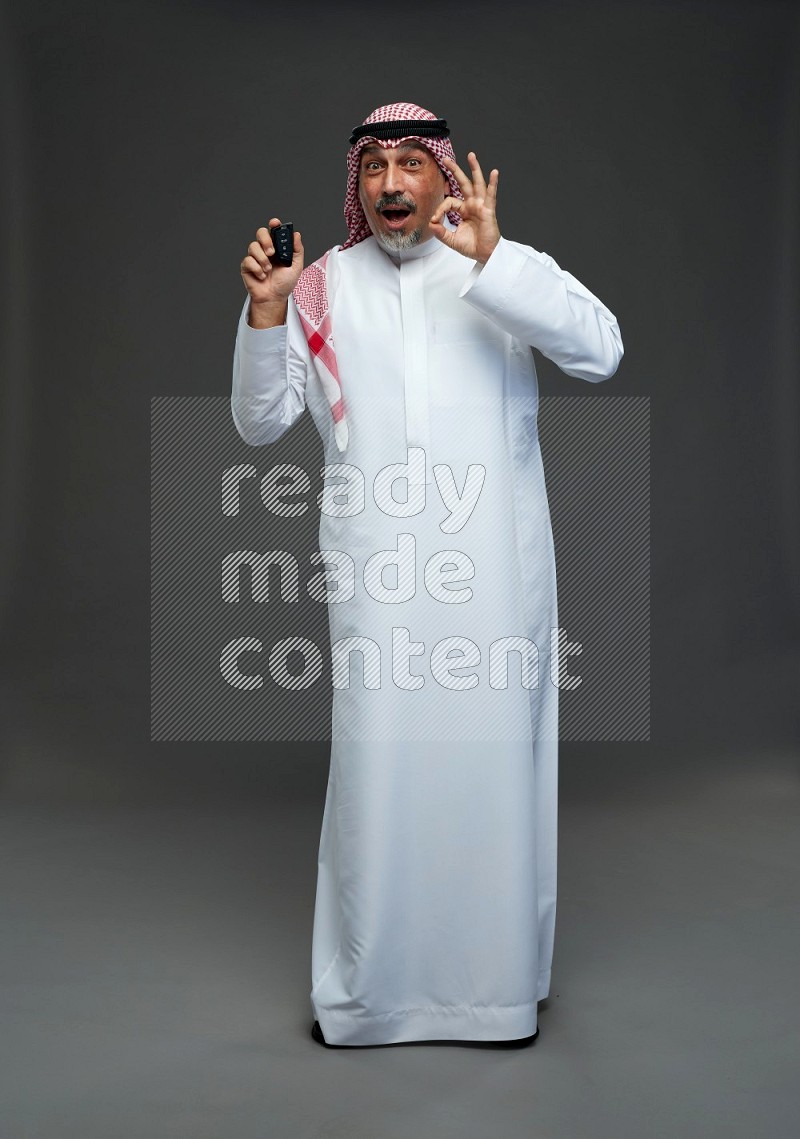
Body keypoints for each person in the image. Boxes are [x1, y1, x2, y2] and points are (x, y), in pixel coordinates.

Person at [231, 102, 623, 1048]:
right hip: (377, 574)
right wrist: (265, 309)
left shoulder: (495, 267)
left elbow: (601, 351)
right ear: (359, 185)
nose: (394, 182)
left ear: (446, 176)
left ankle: (495, 994)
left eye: (414, 162)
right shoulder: (320, 285)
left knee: (493, 767)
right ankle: (368, 999)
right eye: (376, 167)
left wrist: (497, 259)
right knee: (380, 773)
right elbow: (257, 424)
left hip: (492, 572)